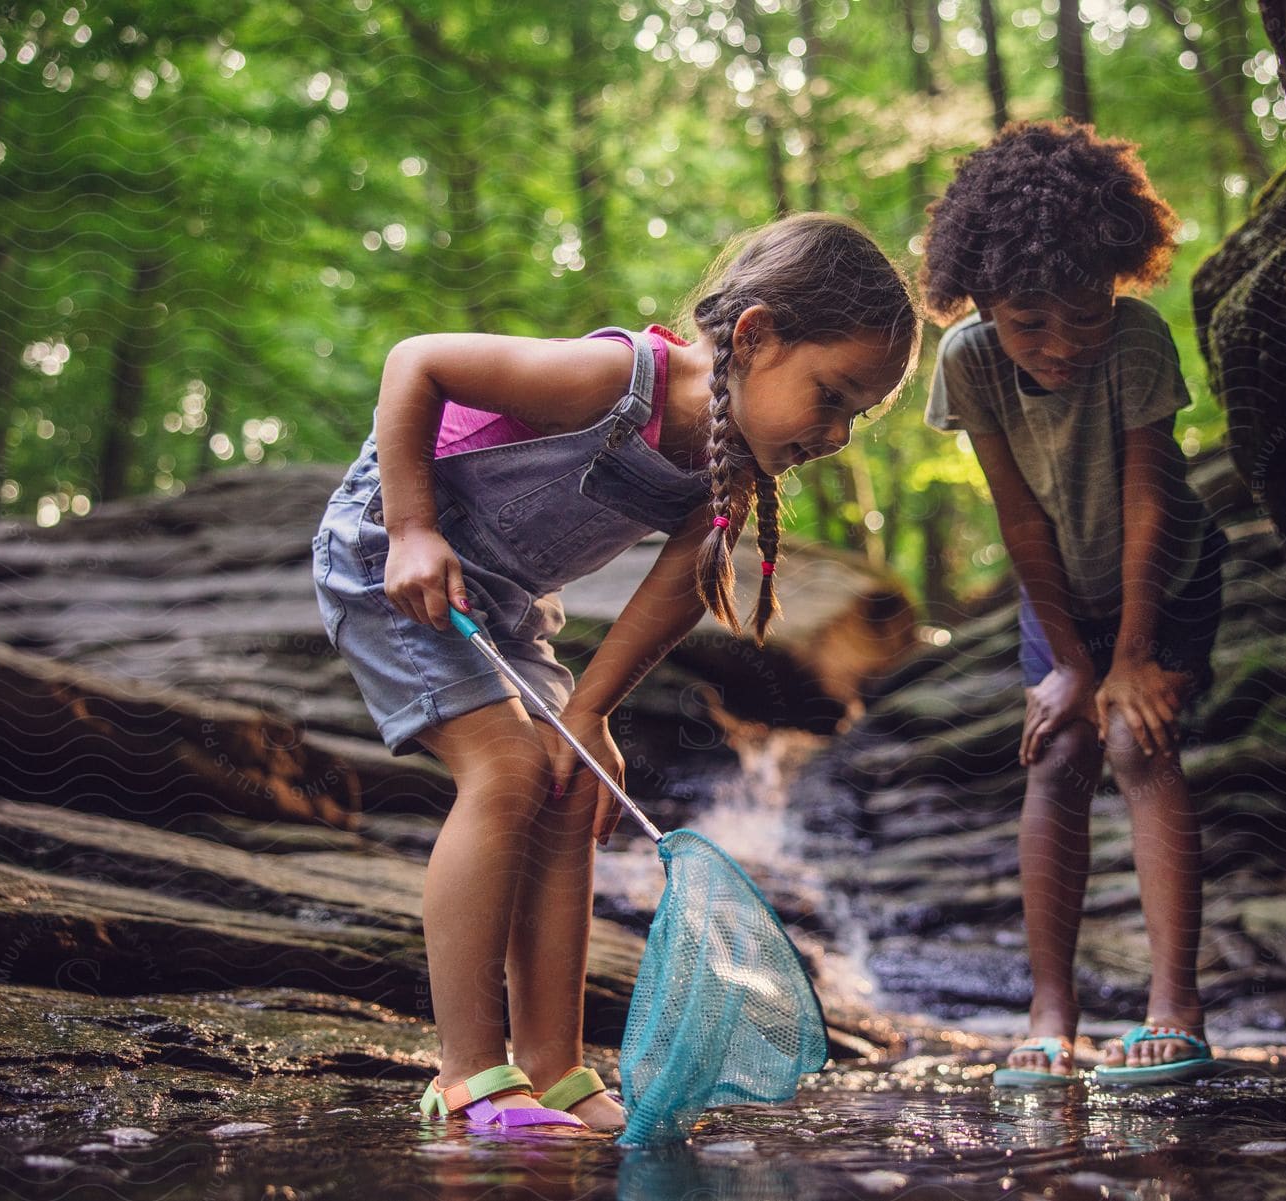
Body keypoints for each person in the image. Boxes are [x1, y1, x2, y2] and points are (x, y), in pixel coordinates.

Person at [311, 213, 918, 1130]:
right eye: (831, 395)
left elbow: (676, 592)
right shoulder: (619, 381)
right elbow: (416, 362)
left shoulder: (730, 467)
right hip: (391, 563)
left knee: (567, 785)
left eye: (855, 414)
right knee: (508, 769)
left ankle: (554, 1068)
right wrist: (411, 528)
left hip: (503, 604)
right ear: (754, 336)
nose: (836, 433)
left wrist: (589, 716)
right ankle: (471, 1072)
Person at [918, 120, 1227, 1087]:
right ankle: (1052, 1011)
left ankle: (1175, 1004)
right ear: (983, 303)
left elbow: (1148, 499)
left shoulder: (1135, 339)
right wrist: (1070, 664)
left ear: (1115, 284)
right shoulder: (967, 361)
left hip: (1164, 575)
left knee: (1136, 741)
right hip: (1056, 593)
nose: (1063, 343)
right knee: (1057, 752)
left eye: (1085, 314)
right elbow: (1017, 517)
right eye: (1030, 321)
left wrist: (1129, 658)